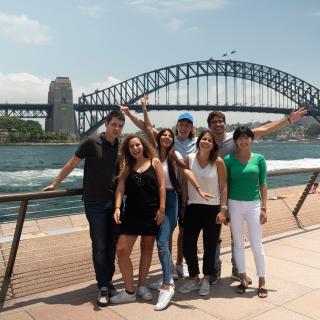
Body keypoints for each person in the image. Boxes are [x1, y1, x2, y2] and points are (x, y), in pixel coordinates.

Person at [121, 103, 307, 283]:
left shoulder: (232, 139)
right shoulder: (198, 142)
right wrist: (134, 113)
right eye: (214, 122)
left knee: (232, 236)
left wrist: (289, 120)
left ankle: (236, 270)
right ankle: (202, 269)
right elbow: (148, 128)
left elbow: (264, 129)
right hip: (193, 195)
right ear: (208, 126)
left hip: (227, 196)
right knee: (201, 236)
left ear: (224, 123)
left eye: (221, 121)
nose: (218, 124)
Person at [42, 110, 125, 307]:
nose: (117, 128)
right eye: (114, 124)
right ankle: (103, 286)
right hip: (94, 202)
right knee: (99, 246)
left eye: (120, 126)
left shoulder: (121, 147)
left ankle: (108, 281)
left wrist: (118, 205)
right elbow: (72, 163)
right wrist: (56, 183)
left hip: (114, 204)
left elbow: (122, 177)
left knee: (112, 245)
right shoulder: (91, 141)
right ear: (106, 123)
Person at [110, 135, 166, 305]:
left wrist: (162, 209)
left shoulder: (154, 162)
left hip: (151, 211)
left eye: (138, 145)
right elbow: (120, 187)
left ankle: (141, 285)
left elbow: (162, 186)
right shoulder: (126, 165)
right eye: (131, 146)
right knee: (121, 249)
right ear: (128, 150)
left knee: (147, 248)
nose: (135, 148)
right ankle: (129, 291)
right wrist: (118, 207)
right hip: (132, 213)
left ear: (143, 146)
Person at [177, 130, 227, 296]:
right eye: (203, 139)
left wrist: (223, 209)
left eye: (209, 140)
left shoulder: (218, 161)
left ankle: (206, 278)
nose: (206, 142)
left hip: (213, 209)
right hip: (193, 207)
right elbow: (185, 184)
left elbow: (223, 186)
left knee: (210, 246)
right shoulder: (189, 159)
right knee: (187, 245)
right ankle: (194, 278)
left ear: (213, 145)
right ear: (198, 141)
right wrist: (184, 205)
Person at [224, 126, 268, 298]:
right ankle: (242, 278)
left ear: (252, 140)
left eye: (247, 137)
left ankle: (262, 281)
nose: (244, 141)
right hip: (234, 204)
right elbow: (225, 185)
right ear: (236, 141)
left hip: (254, 205)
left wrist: (264, 208)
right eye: (240, 138)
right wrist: (225, 208)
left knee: (257, 245)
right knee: (238, 245)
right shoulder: (228, 159)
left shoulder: (259, 159)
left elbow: (263, 185)